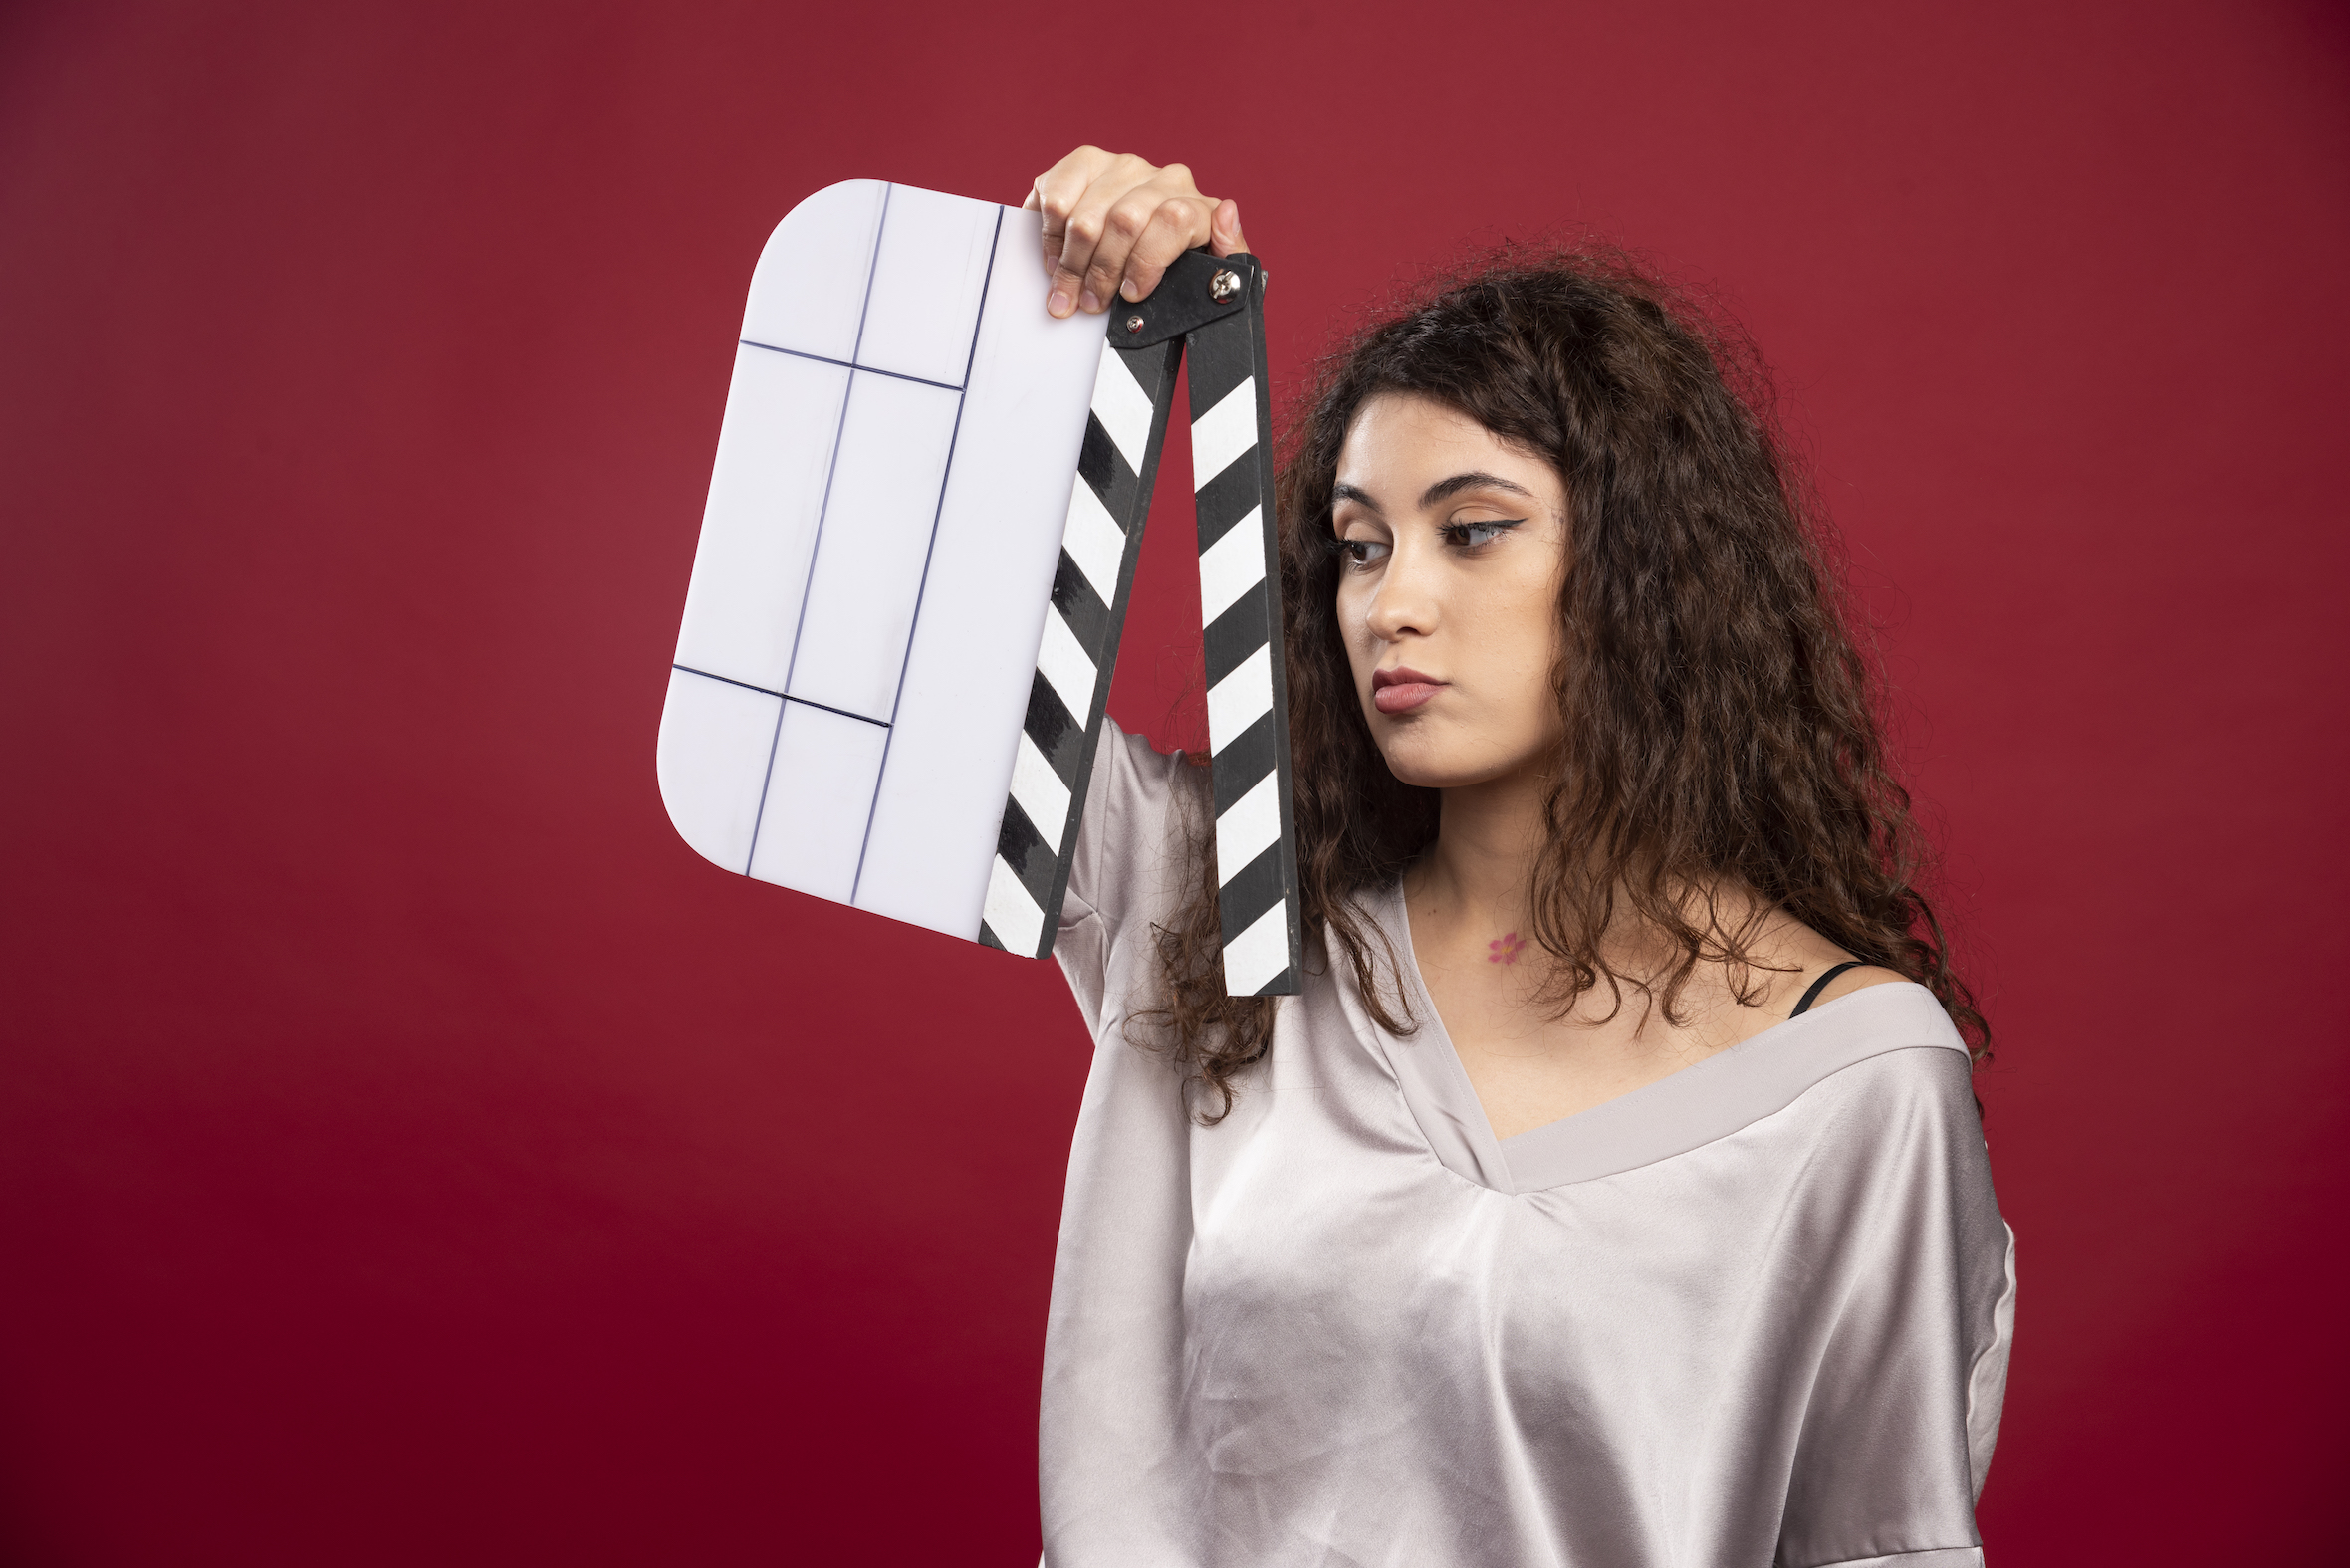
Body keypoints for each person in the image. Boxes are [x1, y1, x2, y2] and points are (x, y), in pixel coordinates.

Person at [1022, 146, 2014, 1568]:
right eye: (1358, 549)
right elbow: (882, 669)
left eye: (1471, 533)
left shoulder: (1856, 1082)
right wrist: (1068, 321)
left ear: (1642, 572)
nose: (1392, 604)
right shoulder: (1214, 900)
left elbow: (1883, 1544)